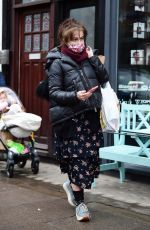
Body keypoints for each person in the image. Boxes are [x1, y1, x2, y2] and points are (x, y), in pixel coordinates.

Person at [46, 18, 109, 222]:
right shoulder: (57, 62)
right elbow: (54, 92)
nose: (78, 43)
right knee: (79, 162)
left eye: (81, 39)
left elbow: (104, 79)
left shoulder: (90, 55)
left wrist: (93, 59)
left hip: (90, 116)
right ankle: (81, 205)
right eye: (73, 40)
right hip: (71, 120)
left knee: (89, 162)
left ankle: (73, 186)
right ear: (65, 41)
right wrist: (75, 96)